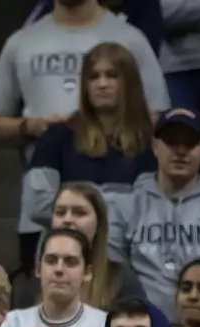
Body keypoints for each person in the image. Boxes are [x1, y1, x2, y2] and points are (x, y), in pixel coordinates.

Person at [108, 107, 200, 316]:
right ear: (155, 146)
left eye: (190, 143)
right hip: (138, 323)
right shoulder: (123, 206)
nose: (181, 151)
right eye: (171, 142)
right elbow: (114, 272)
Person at [0, 0, 170, 149]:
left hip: (117, 179)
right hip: (43, 179)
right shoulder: (20, 43)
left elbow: (157, 115)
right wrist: (29, 126)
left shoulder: (130, 39)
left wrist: (115, 138)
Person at [18, 42, 158, 239]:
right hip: (67, 248)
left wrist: (73, 209)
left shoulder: (148, 141)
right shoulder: (56, 136)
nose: (102, 84)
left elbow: (148, 208)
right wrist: (102, 210)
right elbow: (37, 204)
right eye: (93, 77)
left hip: (126, 250)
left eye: (112, 75)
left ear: (129, 83)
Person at [0, 229, 109, 327]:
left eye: (70, 262)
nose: (59, 269)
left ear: (87, 273)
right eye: (51, 260)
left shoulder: (105, 326)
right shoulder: (12, 323)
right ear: (38, 269)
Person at [48, 180, 145, 307]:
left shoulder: (119, 277)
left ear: (98, 223)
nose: (67, 219)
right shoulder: (40, 276)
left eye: (79, 212)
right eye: (60, 212)